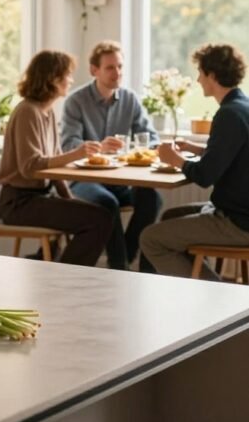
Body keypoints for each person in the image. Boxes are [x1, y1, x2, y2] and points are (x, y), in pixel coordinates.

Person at [141, 44, 249, 279]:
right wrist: (195, 148)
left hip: (238, 222)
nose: (198, 80)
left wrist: (176, 159)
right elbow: (233, 155)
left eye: (200, 73)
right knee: (171, 217)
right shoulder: (242, 107)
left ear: (212, 75)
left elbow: (204, 176)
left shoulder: (228, 114)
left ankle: (214, 291)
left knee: (150, 239)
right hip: (240, 213)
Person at [0, 49, 113, 267]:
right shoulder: (27, 112)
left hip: (40, 197)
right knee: (99, 219)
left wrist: (68, 198)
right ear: (52, 78)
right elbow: (29, 167)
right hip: (19, 203)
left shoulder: (46, 111)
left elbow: (55, 162)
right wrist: (78, 153)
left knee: (101, 213)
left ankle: (53, 265)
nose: (70, 80)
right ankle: (64, 276)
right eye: (67, 74)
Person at [61, 40, 160, 271]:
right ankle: (119, 266)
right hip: (84, 180)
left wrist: (141, 148)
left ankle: (126, 254)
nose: (117, 73)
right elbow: (68, 145)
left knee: (151, 198)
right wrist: (98, 147)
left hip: (120, 178)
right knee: (107, 203)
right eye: (110, 67)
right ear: (94, 70)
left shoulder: (129, 99)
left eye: (120, 67)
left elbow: (150, 138)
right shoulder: (75, 102)